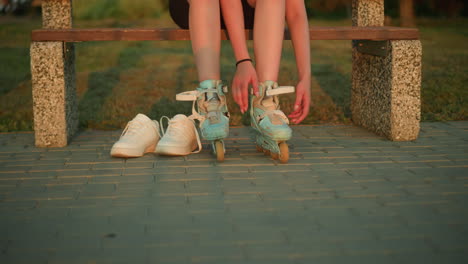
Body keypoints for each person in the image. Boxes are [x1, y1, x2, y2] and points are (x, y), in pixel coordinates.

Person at [171, 0, 310, 163]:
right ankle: (210, 99)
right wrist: (243, 60)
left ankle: (265, 100)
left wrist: (305, 77)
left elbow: (296, 12)